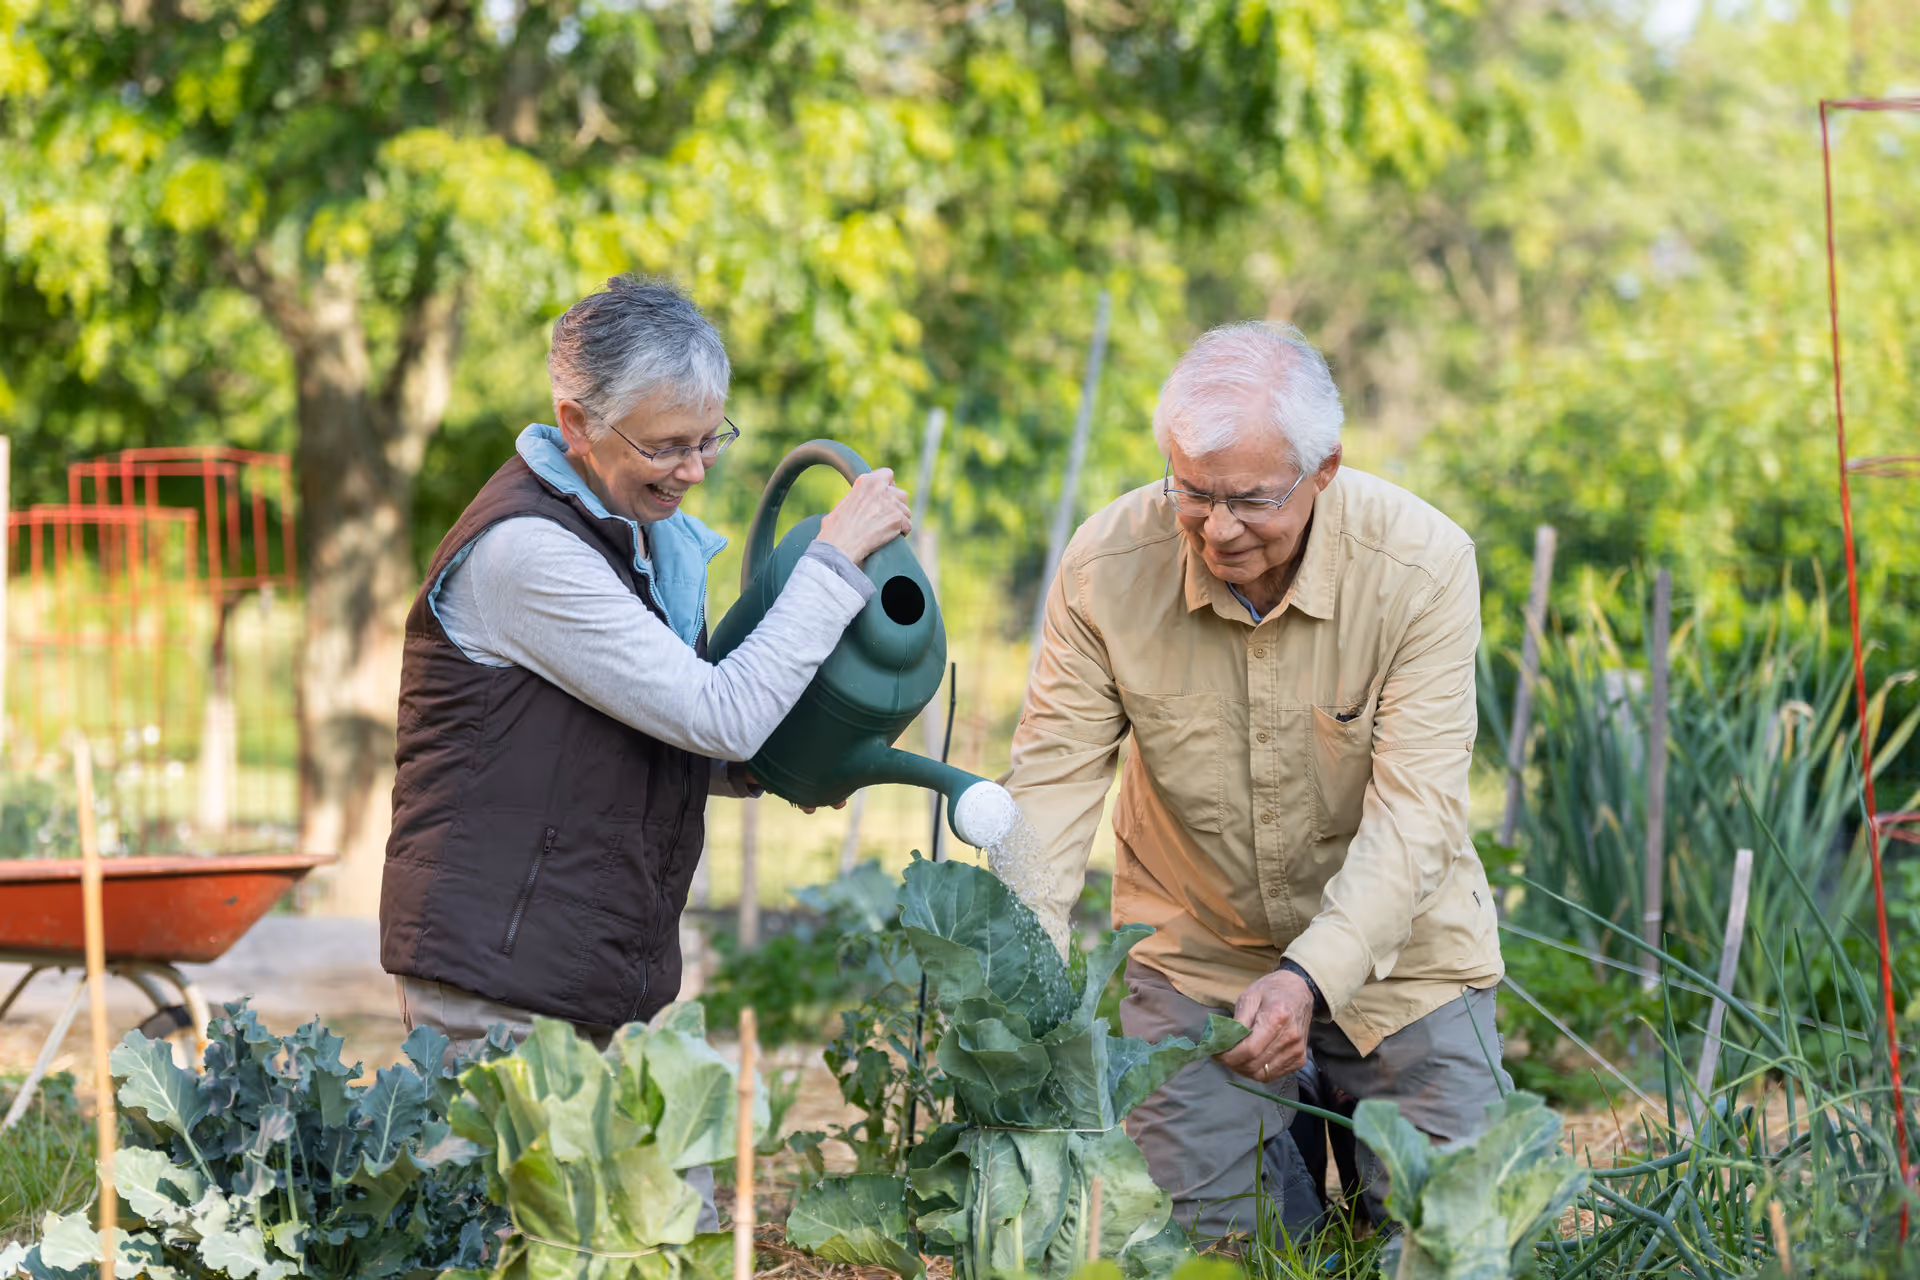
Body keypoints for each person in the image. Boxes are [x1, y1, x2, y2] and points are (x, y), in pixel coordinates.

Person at [997, 321, 1508, 1238]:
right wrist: (1021, 982)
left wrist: (1311, 977)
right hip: (1201, 965)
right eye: (1191, 492)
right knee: (1216, 1250)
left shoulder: (1422, 565)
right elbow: (1050, 788)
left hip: (1404, 965)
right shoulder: (1106, 568)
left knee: (1450, 1238)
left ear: (1325, 470)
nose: (1218, 528)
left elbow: (1418, 818)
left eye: (1250, 500)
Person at [380, 275, 911, 1052]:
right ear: (577, 425)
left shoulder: (637, 534)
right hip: (496, 980)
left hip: (577, 965)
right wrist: (832, 560)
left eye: (707, 440)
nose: (694, 471)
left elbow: (650, 732)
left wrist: (767, 770)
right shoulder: (525, 552)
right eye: (665, 446)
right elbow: (716, 713)